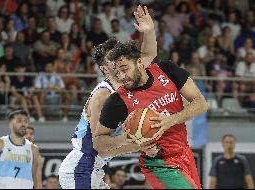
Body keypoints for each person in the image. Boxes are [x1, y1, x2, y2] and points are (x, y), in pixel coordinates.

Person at [58, 6, 157, 189]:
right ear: (104, 68)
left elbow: (149, 55)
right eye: (112, 58)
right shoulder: (103, 94)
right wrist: (134, 142)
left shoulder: (128, 84)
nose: (118, 59)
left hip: (95, 169)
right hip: (81, 168)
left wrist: (149, 31)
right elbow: (99, 146)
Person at [93, 37, 208, 189]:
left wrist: (170, 120)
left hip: (184, 152)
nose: (121, 76)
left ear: (139, 62)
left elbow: (200, 103)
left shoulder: (166, 69)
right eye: (117, 72)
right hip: (158, 163)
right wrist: (126, 139)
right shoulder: (117, 101)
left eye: (125, 69)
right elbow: (98, 141)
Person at [0, 109, 42, 189]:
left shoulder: (34, 149)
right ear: (10, 125)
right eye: (19, 121)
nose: (23, 124)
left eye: (26, 121)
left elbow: (37, 178)